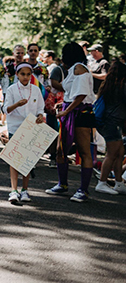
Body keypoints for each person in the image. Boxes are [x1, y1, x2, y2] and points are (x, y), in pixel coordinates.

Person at [46, 42, 96, 202]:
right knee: (61, 150)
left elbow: (81, 95)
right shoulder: (74, 68)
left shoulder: (79, 68)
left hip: (80, 113)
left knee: (84, 151)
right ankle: (62, 184)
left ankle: (83, 190)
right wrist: (64, 104)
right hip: (69, 110)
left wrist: (67, 109)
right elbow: (71, 91)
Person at [2, 63, 45, 203]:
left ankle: (25, 190)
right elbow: (5, 109)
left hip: (30, 127)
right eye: (22, 74)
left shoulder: (36, 89)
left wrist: (39, 115)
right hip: (16, 127)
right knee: (15, 159)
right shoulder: (11, 89)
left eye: (28, 74)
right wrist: (17, 105)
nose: (25, 77)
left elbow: (40, 107)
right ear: (17, 75)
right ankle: (13, 190)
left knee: (27, 160)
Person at [94, 61, 126, 195]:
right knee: (112, 154)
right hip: (112, 123)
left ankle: (119, 183)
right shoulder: (122, 87)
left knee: (119, 153)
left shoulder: (109, 85)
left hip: (108, 122)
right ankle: (101, 183)